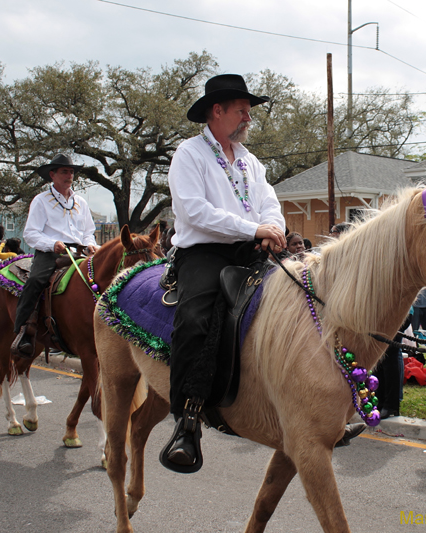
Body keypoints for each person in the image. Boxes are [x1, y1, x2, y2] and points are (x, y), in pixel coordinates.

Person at [162, 74, 287, 471]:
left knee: (298, 306)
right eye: (242, 111)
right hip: (203, 251)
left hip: (250, 248)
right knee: (196, 317)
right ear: (217, 111)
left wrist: (273, 230)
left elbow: (270, 203)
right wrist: (253, 229)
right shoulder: (189, 153)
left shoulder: (251, 161)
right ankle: (187, 420)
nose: (248, 118)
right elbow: (192, 210)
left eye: (248, 112)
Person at [12, 154, 98, 357]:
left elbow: (88, 231)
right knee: (35, 280)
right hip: (51, 253)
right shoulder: (41, 201)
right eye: (64, 172)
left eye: (71, 172)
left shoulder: (81, 202)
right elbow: (30, 233)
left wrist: (91, 244)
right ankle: (23, 329)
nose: (69, 175)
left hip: (79, 252)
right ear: (52, 175)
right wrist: (52, 244)